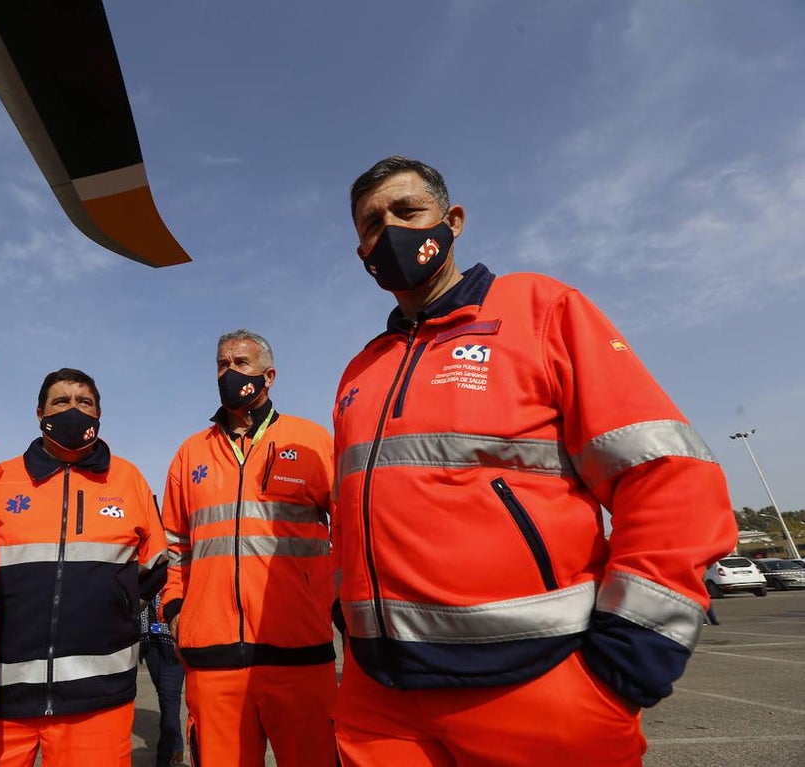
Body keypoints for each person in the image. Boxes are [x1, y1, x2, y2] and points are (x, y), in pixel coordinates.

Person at [330, 155, 739, 766]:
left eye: (407, 211)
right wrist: (345, 611)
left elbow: (667, 473)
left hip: (540, 682)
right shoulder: (361, 370)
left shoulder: (542, 308)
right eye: (371, 223)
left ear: (452, 220)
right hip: (378, 698)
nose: (389, 230)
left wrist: (634, 651)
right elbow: (350, 517)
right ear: (360, 248)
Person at [160, 330, 338, 767]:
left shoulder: (311, 441)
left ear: (268, 376)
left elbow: (350, 530)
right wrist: (176, 610)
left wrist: (338, 607)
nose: (230, 372)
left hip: (299, 652)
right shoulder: (190, 453)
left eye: (241, 363)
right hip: (212, 659)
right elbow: (174, 545)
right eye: (222, 364)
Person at [0, 368, 168, 767]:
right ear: (39, 413)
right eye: (61, 401)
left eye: (84, 402)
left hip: (100, 698)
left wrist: (115, 606)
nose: (73, 410)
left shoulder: (129, 480)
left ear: (99, 414)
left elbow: (156, 567)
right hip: (2, 697)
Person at [139, 590, 186, 766]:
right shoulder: (147, 574)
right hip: (149, 640)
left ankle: (166, 754)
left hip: (172, 640)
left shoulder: (176, 576)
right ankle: (177, 744)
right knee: (164, 695)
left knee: (169, 696)